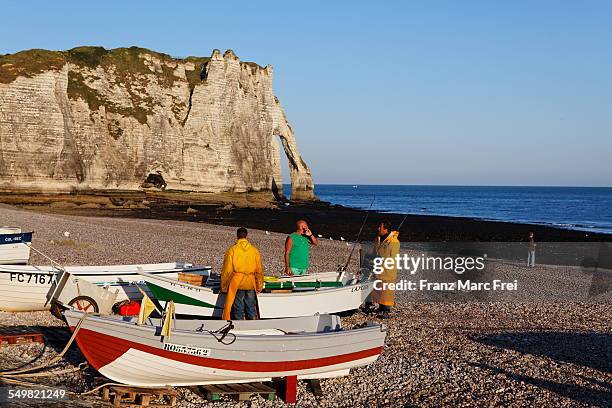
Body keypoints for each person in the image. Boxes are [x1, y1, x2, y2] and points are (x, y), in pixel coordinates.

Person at [221, 227, 264, 320]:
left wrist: (224, 286)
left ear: (237, 236)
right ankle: (253, 324)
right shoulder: (254, 250)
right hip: (250, 282)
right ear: (246, 236)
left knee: (238, 306)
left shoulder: (232, 250)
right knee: (251, 306)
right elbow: (259, 270)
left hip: (237, 282)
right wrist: (259, 285)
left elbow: (227, 270)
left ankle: (239, 325)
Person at [364, 220, 400, 319]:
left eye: (380, 227)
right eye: (379, 226)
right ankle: (380, 307)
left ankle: (386, 310)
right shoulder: (378, 239)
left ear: (386, 229)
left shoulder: (394, 242)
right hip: (378, 269)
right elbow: (374, 253)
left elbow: (393, 258)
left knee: (387, 292)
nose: (378, 228)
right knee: (378, 289)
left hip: (388, 271)